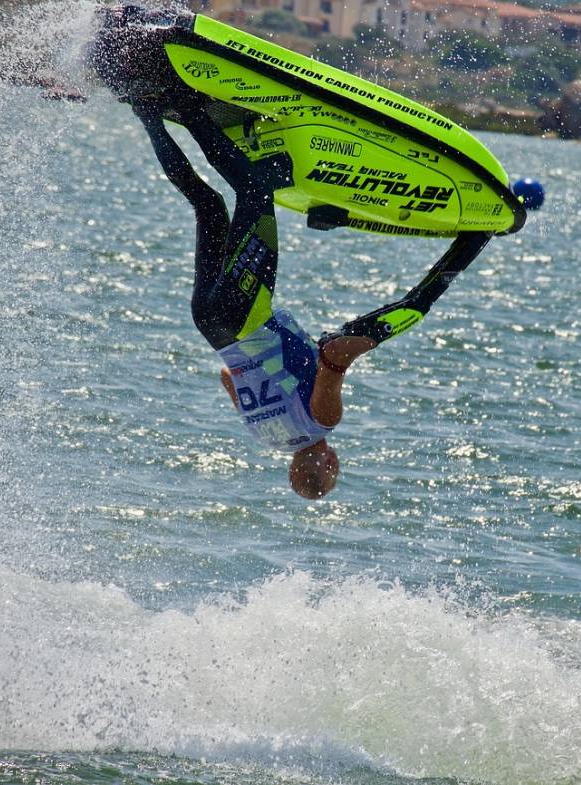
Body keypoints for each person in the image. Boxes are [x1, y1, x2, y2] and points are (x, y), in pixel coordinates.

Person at [91, 7, 492, 498]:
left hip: (246, 314)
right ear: (290, 470)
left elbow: (332, 360)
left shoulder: (325, 424)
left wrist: (364, 339)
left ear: (330, 464)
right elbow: (227, 377)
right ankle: (148, 108)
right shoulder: (267, 438)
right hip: (212, 325)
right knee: (207, 204)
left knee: (255, 193)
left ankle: (181, 101)